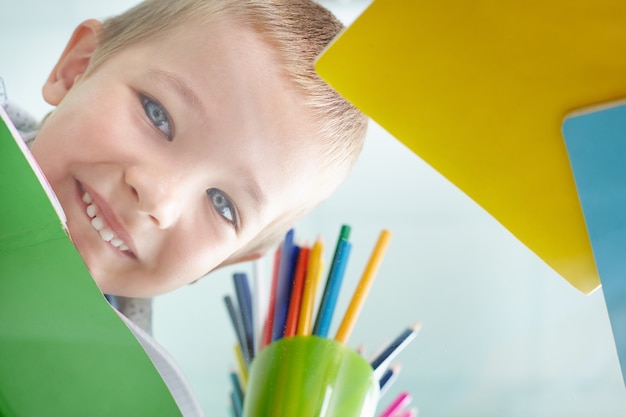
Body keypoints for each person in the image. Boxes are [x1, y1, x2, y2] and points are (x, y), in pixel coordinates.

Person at [27, 0, 368, 300]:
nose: (158, 198)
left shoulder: (122, 369)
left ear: (225, 262)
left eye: (223, 204)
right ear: (77, 69)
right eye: (158, 116)